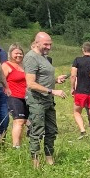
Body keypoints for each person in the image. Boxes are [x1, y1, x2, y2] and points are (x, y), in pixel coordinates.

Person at [23, 31, 67, 166]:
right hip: (37, 100)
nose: (49, 47)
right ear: (36, 43)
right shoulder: (31, 58)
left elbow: (42, 78)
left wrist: (55, 80)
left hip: (48, 100)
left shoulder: (44, 57)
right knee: (37, 131)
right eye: (46, 44)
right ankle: (35, 162)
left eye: (50, 44)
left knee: (51, 130)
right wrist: (52, 91)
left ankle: (49, 158)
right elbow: (31, 83)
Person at [70, 41, 90, 136]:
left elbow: (73, 75)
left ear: (83, 50)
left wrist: (72, 88)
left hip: (80, 91)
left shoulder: (77, 60)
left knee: (77, 112)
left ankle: (83, 130)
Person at [2, 46, 29, 150]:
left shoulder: (24, 66)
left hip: (26, 96)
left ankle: (22, 143)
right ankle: (16, 146)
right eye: (16, 53)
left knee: (26, 121)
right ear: (10, 54)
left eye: (20, 53)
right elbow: (1, 80)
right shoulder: (6, 65)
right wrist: (6, 90)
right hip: (14, 96)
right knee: (19, 120)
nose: (19, 55)